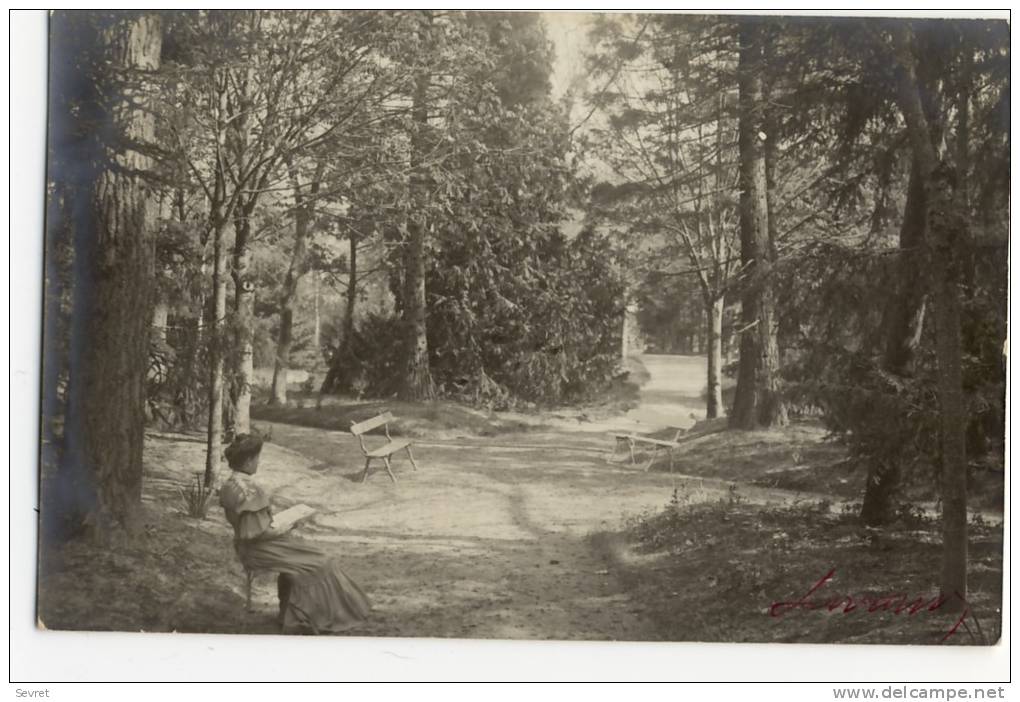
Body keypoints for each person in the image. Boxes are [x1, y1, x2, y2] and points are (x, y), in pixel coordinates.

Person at [218, 433, 370, 633]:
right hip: (258, 549)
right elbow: (256, 533)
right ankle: (303, 619)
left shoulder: (230, 485)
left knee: (308, 557)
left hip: (247, 545)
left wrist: (278, 524)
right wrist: (288, 524)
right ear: (247, 461)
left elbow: (250, 527)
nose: (258, 462)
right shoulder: (251, 492)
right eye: (257, 458)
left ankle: (287, 612)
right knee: (320, 562)